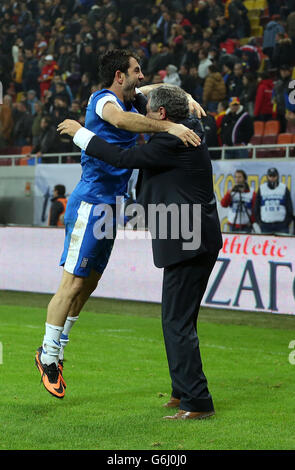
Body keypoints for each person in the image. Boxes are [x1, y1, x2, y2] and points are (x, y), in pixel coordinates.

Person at [34, 49, 203, 400]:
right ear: (119, 76)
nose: (141, 77)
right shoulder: (104, 100)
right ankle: (47, 356)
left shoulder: (132, 97)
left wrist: (184, 95)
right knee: (71, 283)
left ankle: (60, 345)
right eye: (136, 71)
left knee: (89, 283)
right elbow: (122, 123)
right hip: (91, 202)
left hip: (112, 206)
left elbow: (156, 88)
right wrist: (170, 124)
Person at [58, 85, 222, 420]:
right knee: (181, 321)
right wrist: (183, 97)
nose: (143, 119)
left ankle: (197, 402)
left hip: (187, 241)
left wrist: (81, 133)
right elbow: (165, 106)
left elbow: (120, 157)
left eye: (149, 113)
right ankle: (182, 391)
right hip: (197, 237)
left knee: (176, 322)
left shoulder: (170, 141)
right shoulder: (191, 128)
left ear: (162, 115)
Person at [254, 168, 293, 234]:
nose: (272, 178)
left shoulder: (283, 188)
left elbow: (289, 207)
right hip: (265, 225)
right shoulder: (262, 188)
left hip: (281, 225)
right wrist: (260, 222)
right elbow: (256, 207)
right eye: (270, 176)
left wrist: (286, 222)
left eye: (274, 176)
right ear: (267, 177)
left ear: (277, 176)